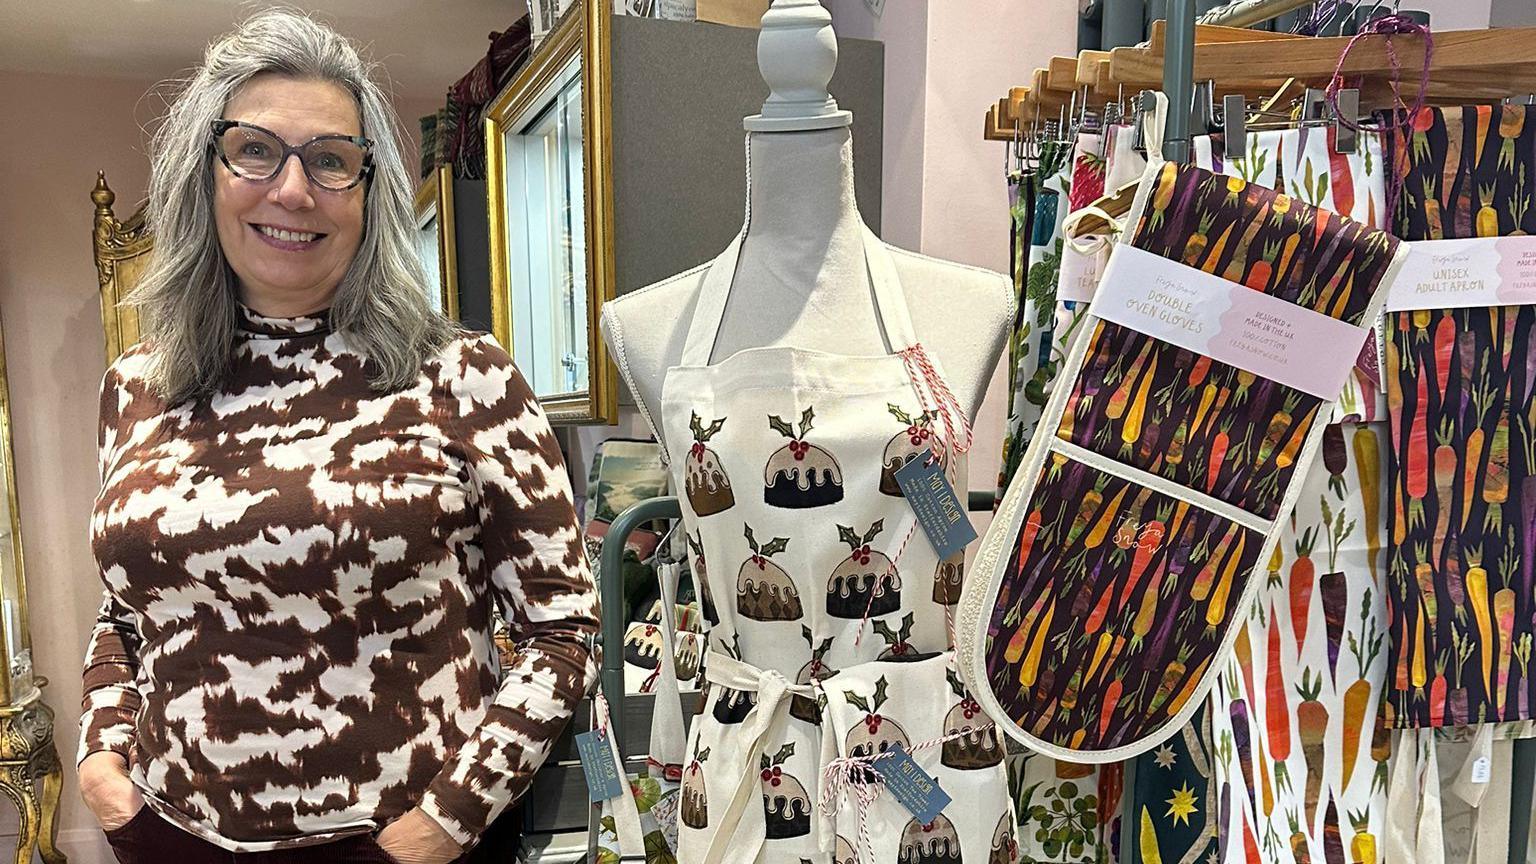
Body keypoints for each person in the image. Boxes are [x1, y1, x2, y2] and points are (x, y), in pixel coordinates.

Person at [76, 9, 599, 863]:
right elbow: (128, 611)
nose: (292, 190)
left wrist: (443, 827)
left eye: (330, 160)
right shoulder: (136, 386)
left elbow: (563, 628)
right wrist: (103, 759)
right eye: (255, 149)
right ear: (202, 175)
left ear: (369, 190)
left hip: (393, 848)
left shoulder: (461, 376)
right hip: (171, 839)